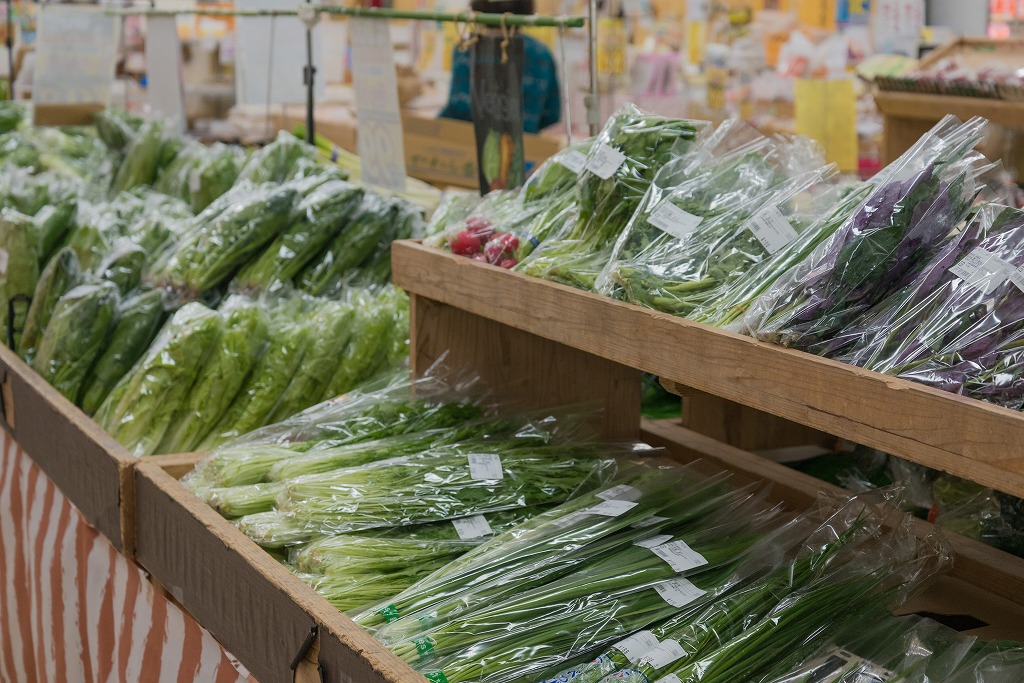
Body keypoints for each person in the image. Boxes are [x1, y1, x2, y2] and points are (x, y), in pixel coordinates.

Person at [439, 0, 561, 133]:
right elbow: (552, 114)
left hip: (467, 145)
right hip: (524, 147)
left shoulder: (465, 49)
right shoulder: (541, 54)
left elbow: (456, 109)